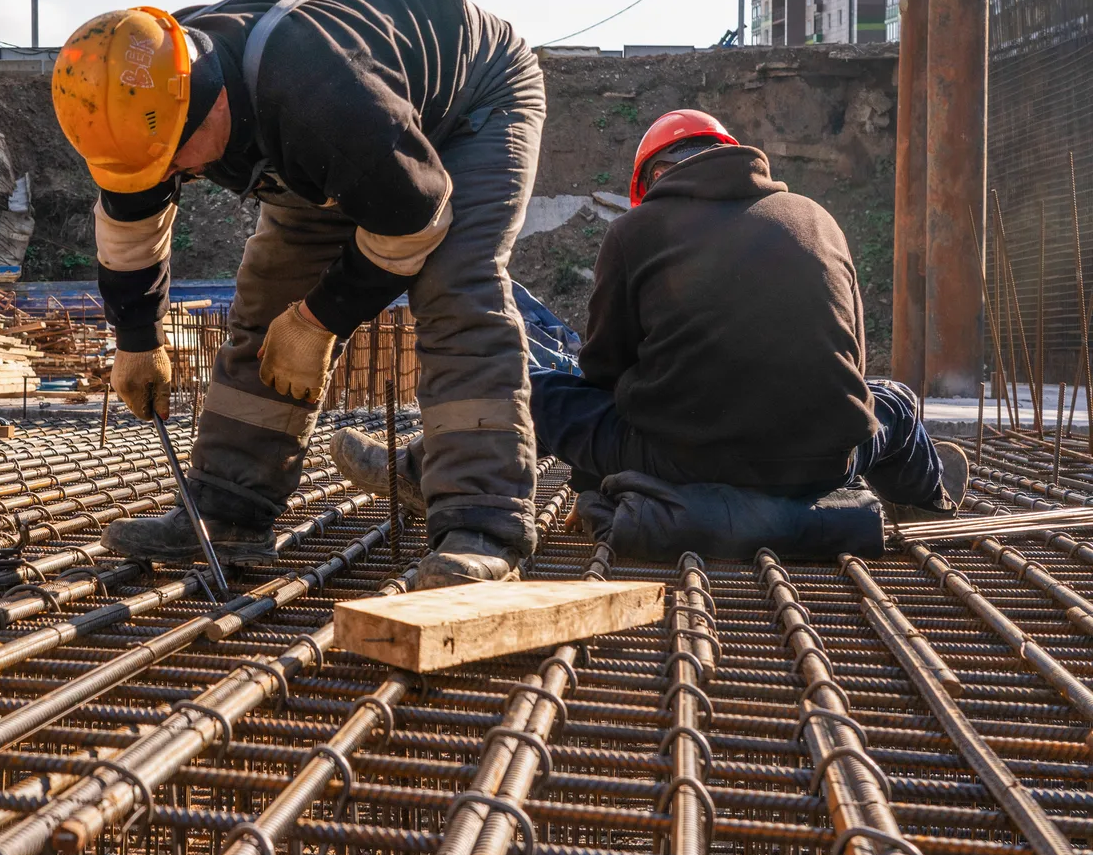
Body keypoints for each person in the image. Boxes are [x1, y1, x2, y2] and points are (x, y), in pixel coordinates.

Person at [49, 0, 545, 585]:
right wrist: (137, 338)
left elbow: (414, 222)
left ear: (213, 103)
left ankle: (483, 523)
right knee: (269, 294)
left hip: (473, 102)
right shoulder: (140, 98)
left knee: (455, 285)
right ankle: (229, 507)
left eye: (174, 158)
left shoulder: (320, 96)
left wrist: (321, 321)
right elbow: (130, 229)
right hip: (337, 136)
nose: (172, 173)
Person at [336, 110, 966, 553]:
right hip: (829, 461)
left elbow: (604, 375)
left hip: (685, 461)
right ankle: (925, 498)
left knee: (534, 394)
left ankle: (423, 472)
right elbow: (847, 364)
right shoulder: (816, 218)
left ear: (649, 181)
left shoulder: (638, 231)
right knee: (895, 404)